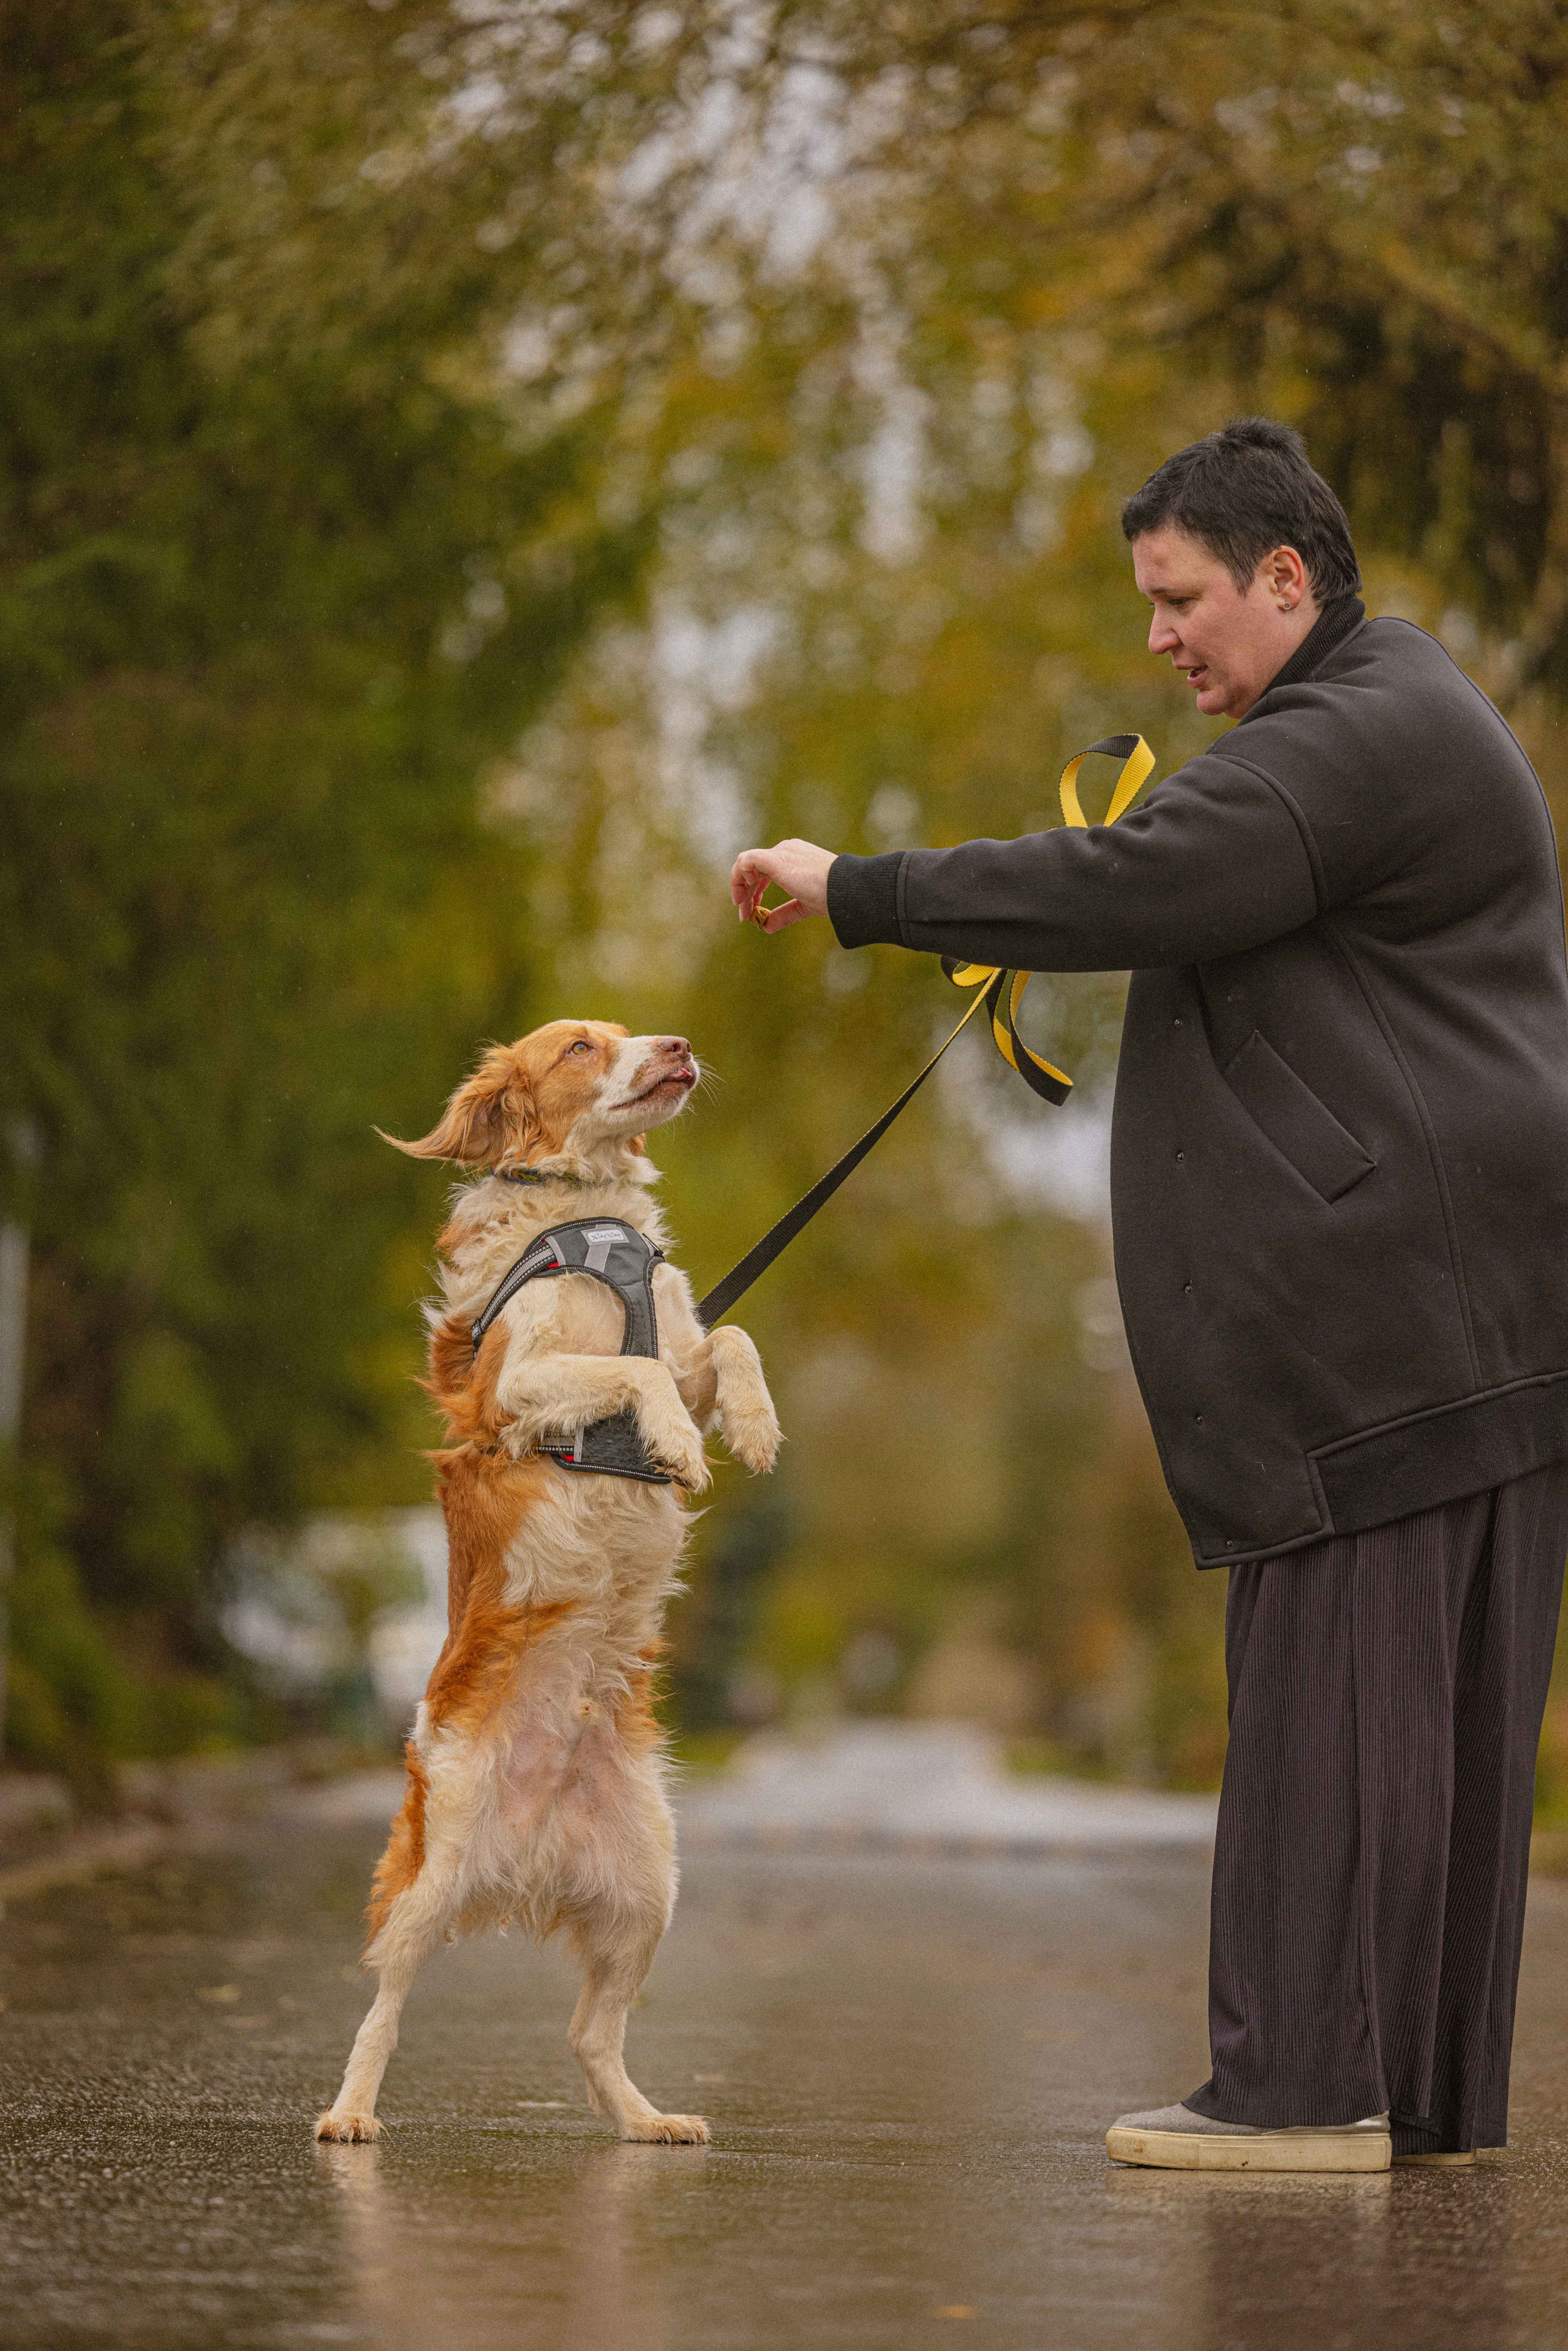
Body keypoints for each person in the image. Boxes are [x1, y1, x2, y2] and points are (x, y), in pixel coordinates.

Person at [728, 418, 1568, 2173]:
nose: (1162, 640)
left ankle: (1294, 2098)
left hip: (1387, 1336)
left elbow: (1136, 877)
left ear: (1286, 576)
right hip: (1464, 1317)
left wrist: (855, 890)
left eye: (1182, 600)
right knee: (1437, 1728)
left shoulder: (1356, 732)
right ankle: (1415, 2102)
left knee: (1335, 1701)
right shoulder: (1377, 721)